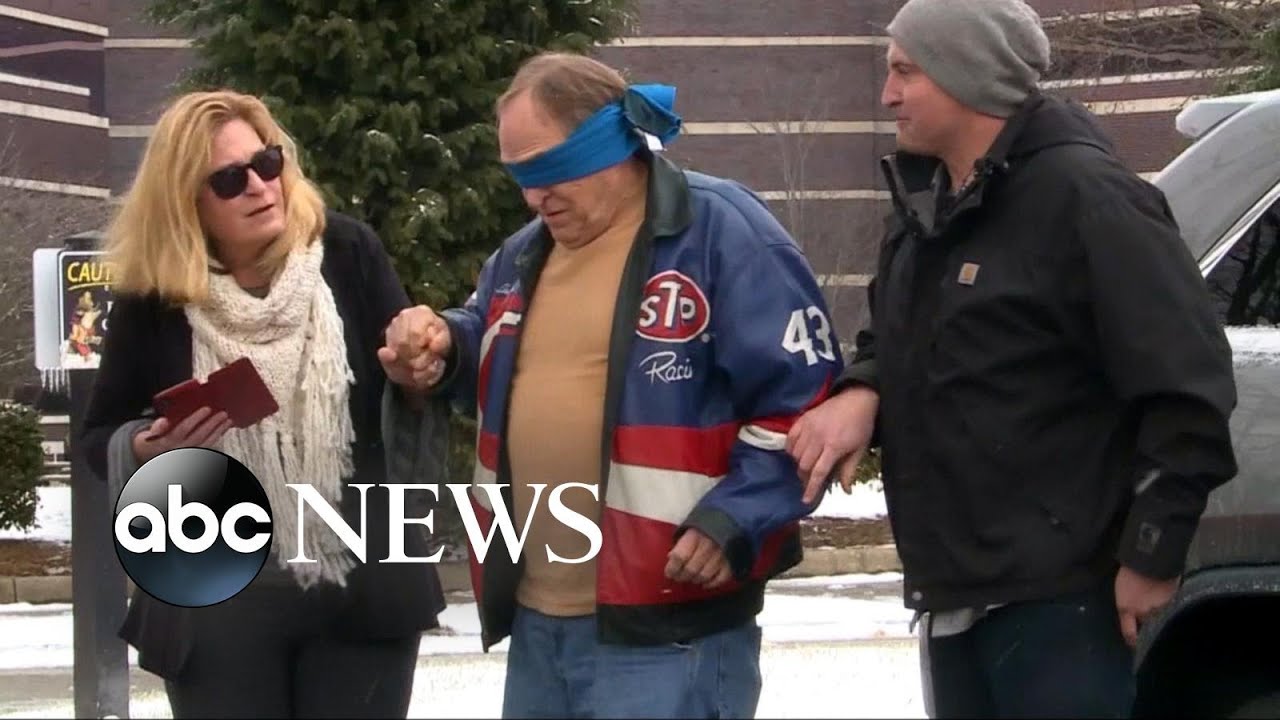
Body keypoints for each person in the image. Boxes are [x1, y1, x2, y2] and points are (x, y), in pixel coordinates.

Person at [785, 1, 1239, 717]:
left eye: (906, 72)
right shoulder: (926, 205)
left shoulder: (1087, 198)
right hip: (956, 594)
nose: (887, 94)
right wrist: (862, 390)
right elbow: (903, 337)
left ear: (969, 76)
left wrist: (1151, 555)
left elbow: (1188, 390)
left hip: (1064, 603)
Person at [378, 52, 842, 719]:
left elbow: (804, 400)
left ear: (608, 140)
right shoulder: (524, 253)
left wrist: (735, 520)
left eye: (545, 170)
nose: (533, 197)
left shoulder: (722, 234)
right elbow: (493, 342)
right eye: (519, 176)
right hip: (540, 622)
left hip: (671, 628)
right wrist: (444, 346)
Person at [80, 90, 447, 719]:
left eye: (268, 163)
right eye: (229, 179)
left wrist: (418, 370)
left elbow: (410, 389)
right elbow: (97, 435)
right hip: (212, 584)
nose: (259, 186)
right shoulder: (155, 294)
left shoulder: (348, 253)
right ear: (184, 202)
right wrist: (146, 448)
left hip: (358, 582)